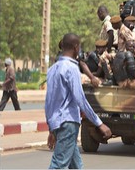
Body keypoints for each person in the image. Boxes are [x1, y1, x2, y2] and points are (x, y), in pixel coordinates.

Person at [45, 33, 112, 169]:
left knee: (76, 166)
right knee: (59, 165)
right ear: (76, 47)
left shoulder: (52, 70)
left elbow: (49, 102)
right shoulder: (72, 68)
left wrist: (51, 129)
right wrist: (99, 123)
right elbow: (81, 100)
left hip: (59, 124)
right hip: (68, 123)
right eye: (79, 47)